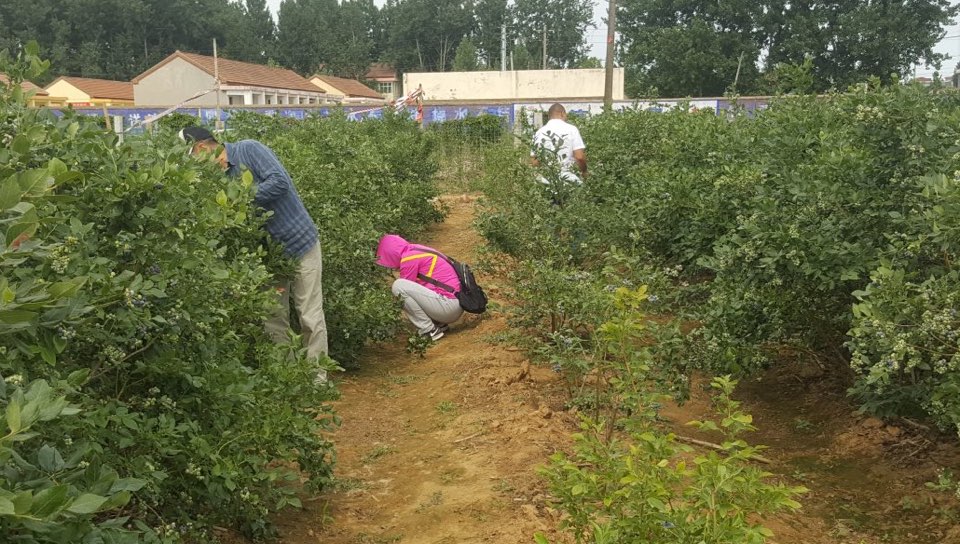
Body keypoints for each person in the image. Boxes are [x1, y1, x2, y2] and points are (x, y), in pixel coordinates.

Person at [179, 127, 329, 371]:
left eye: (194, 156)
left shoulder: (249, 149)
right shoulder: (217, 180)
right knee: (273, 318)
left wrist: (241, 196)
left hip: (301, 244)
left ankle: (316, 377)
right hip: (269, 257)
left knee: (309, 315)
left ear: (203, 148)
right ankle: (288, 378)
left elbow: (280, 182)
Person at [375, 234, 463, 341]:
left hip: (449, 306)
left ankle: (429, 330)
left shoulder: (409, 259)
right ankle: (438, 323)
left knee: (398, 286)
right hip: (455, 303)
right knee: (411, 289)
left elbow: (403, 295)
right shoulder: (416, 250)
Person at [531, 103, 587, 187]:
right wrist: (584, 171)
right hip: (569, 181)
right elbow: (579, 157)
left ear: (549, 116)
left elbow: (534, 161)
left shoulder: (539, 132)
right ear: (562, 113)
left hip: (547, 182)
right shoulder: (572, 130)